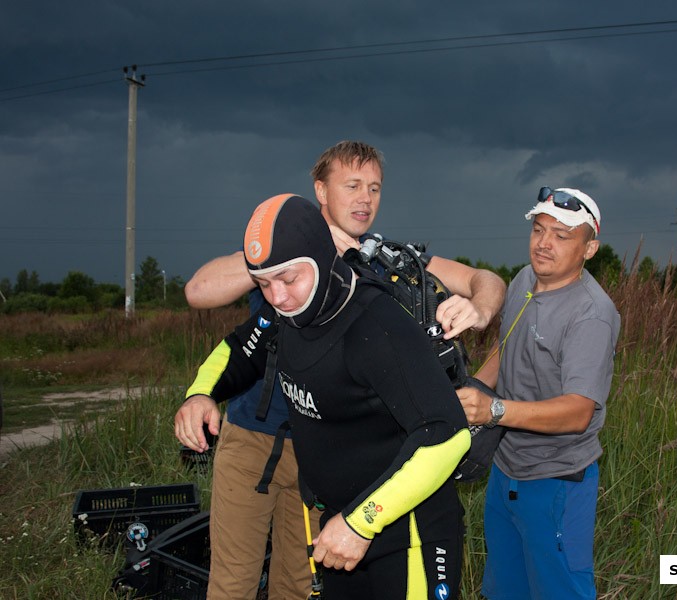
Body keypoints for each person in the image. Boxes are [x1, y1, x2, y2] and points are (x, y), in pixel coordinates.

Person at [175, 141, 506, 599]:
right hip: (331, 512)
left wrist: (479, 310)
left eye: (373, 187)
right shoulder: (290, 300)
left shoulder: (377, 305)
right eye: (352, 185)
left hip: (396, 525)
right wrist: (200, 393)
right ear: (322, 193)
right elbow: (239, 342)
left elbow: (446, 434)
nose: (277, 296)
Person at [457, 186, 620, 599]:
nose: (544, 243)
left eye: (562, 236)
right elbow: (506, 346)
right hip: (505, 471)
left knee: (560, 591)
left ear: (589, 248)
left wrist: (491, 410)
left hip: (557, 483)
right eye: (539, 230)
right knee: (504, 590)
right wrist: (467, 393)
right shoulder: (524, 279)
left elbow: (578, 411)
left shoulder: (592, 314)